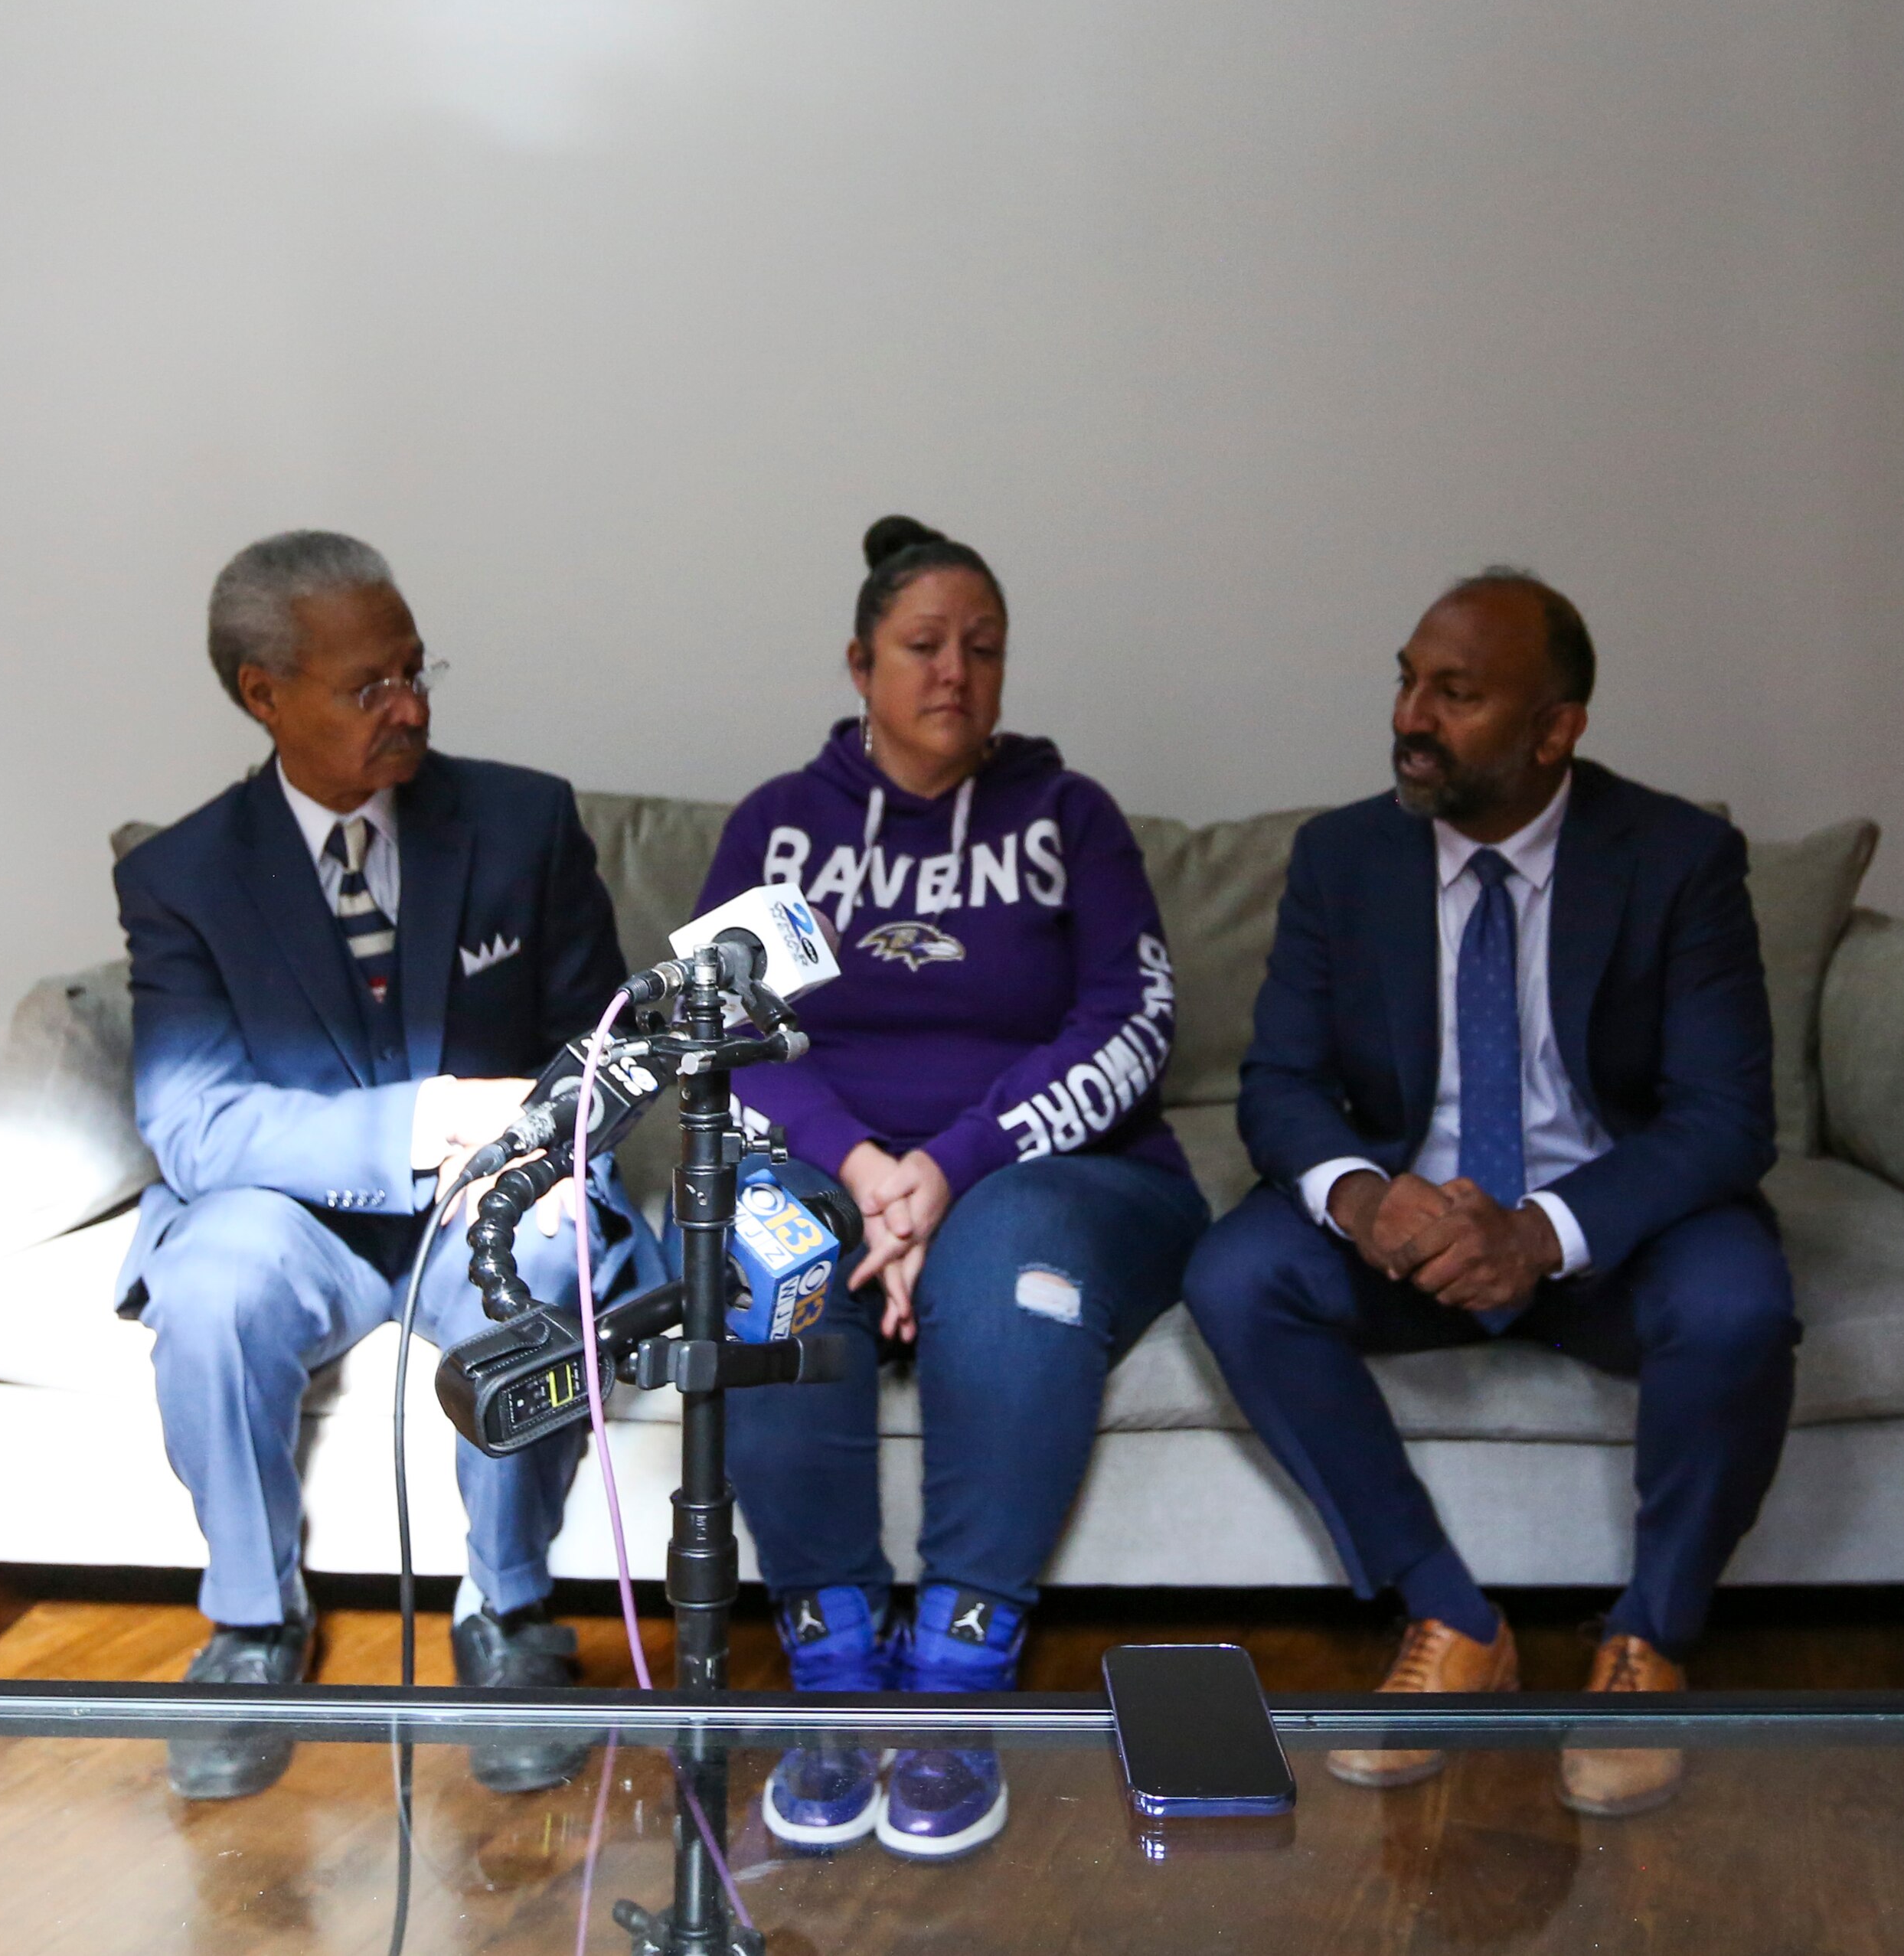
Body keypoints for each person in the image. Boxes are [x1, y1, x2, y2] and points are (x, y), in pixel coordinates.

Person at [1184, 570, 1795, 1820]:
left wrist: (1545, 1232)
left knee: (1741, 1302)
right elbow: (1280, 1086)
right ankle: (1452, 1617)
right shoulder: (1343, 856)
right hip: (1412, 1237)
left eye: (1454, 693)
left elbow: (1729, 1118)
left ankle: (1648, 1643)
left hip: (1608, 1236)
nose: (1412, 714)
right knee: (1234, 1274)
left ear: (1554, 727)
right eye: (1407, 679)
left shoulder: (1678, 856)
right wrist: (1365, 1199)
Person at [697, 515, 1199, 1863]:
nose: (957, 674)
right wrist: (866, 1173)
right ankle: (836, 1655)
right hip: (833, 1164)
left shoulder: (1067, 818)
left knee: (1012, 1266)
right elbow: (727, 1036)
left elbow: (1131, 1023)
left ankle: (963, 1671)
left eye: (985, 649)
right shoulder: (782, 829)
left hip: (1055, 1171)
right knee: (764, 1255)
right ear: (860, 662)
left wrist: (952, 1169)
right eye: (924, 647)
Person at [114, 531, 647, 1804]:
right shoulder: (179, 877)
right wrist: (421, 1121)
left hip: (487, 1202)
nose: (408, 706)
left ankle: (509, 1614)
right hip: (290, 1214)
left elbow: (604, 1045)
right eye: (369, 687)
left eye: (416, 672)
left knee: (552, 1252)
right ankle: (252, 1624)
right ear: (264, 694)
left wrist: (558, 1150)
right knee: (212, 1284)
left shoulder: (523, 820)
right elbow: (194, 1124)